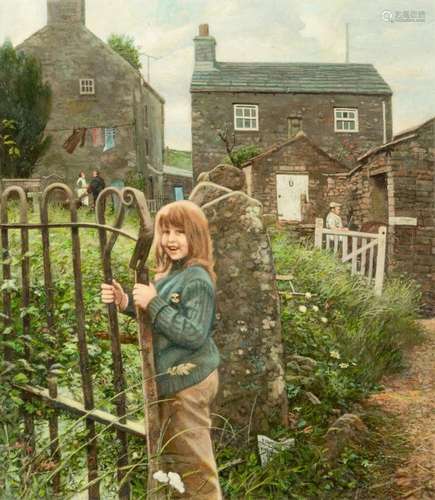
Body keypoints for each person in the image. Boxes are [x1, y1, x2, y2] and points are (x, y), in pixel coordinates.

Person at [101, 200, 222, 499]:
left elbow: (193, 334)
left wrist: (153, 302)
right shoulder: (172, 274)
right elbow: (161, 320)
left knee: (196, 465)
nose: (170, 239)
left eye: (180, 232)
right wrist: (127, 303)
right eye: (165, 231)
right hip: (173, 382)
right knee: (176, 463)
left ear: (196, 236)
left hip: (190, 384)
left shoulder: (198, 279)